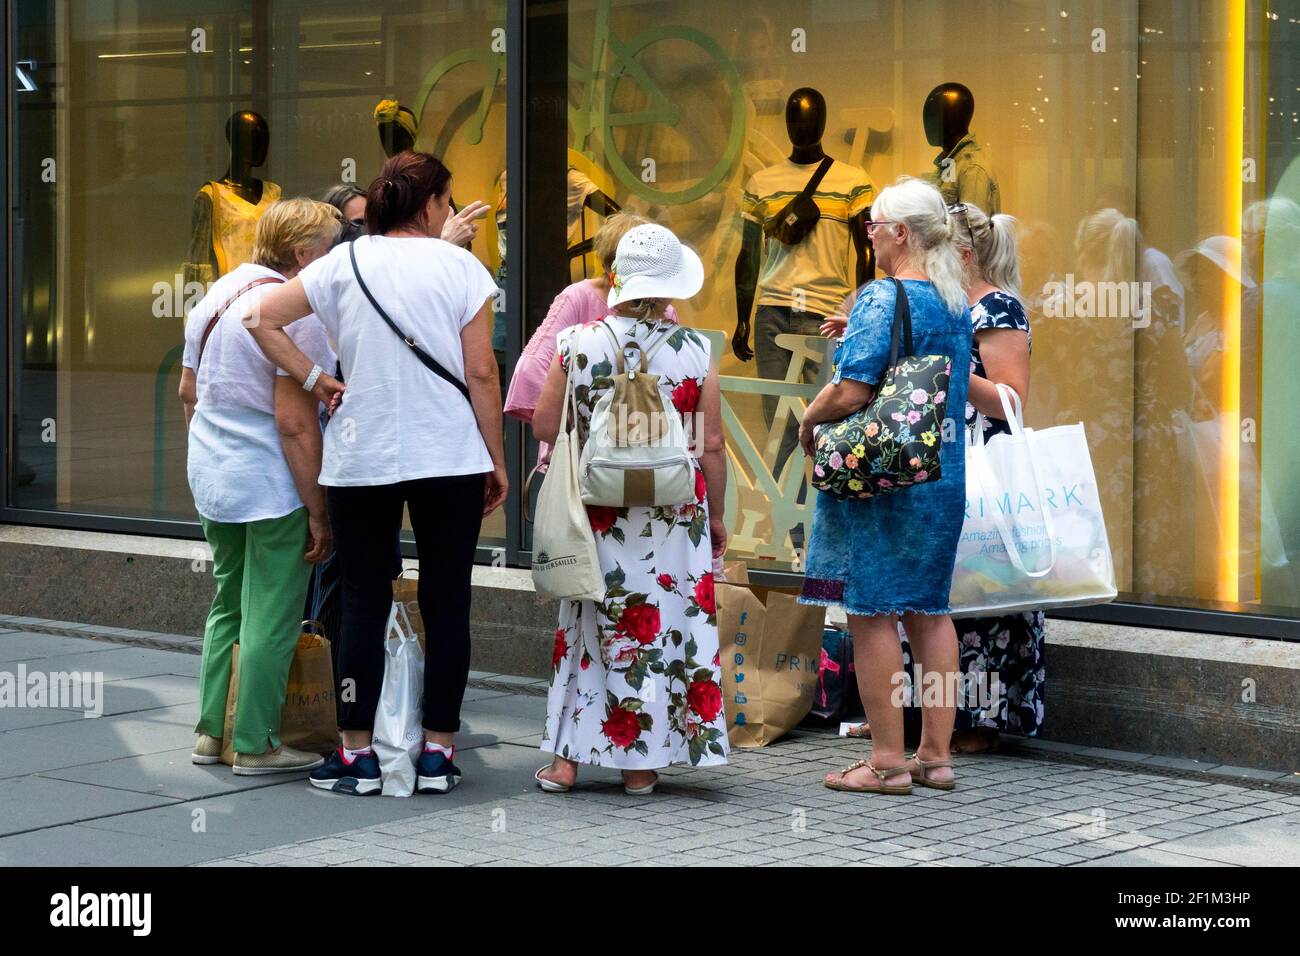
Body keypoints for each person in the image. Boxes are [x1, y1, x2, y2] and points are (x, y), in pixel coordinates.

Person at [247, 151, 507, 796]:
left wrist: (316, 378)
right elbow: (481, 372)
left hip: (360, 453)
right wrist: (496, 458)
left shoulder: (342, 262)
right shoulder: (461, 267)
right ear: (429, 206)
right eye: (446, 201)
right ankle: (439, 751)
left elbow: (260, 317)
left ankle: (357, 753)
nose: (449, 211)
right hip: (448, 452)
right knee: (449, 601)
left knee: (364, 598)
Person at [530, 223, 729, 794]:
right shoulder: (695, 350)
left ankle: (565, 763)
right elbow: (710, 444)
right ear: (671, 288)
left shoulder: (579, 342)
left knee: (590, 620)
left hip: (599, 512)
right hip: (672, 513)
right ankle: (640, 767)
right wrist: (715, 519)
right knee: (659, 626)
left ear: (616, 279)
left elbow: (545, 425)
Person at [797, 176, 971, 795]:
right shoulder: (954, 299)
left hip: (881, 477)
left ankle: (886, 761)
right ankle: (936, 757)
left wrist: (809, 417)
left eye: (872, 224)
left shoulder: (881, 295)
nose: (866, 233)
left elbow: (854, 390)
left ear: (900, 233)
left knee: (870, 613)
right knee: (931, 611)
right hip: (941, 475)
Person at [180, 197, 341, 775]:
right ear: (303, 253)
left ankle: (209, 733)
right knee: (272, 612)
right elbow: (295, 423)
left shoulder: (215, 297)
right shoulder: (299, 313)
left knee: (228, 604)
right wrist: (318, 510)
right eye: (329, 247)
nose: (335, 258)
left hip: (213, 476)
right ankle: (255, 742)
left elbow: (187, 394)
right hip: (270, 480)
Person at [947, 202, 1044, 753]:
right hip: (943, 463)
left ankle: (979, 719)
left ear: (961, 254)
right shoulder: (947, 305)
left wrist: (949, 365)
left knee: (981, 587)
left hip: (983, 467)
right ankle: (925, 712)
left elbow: (1010, 402)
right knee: (942, 591)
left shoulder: (999, 309)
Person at [504, 212, 674, 466]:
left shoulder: (665, 310)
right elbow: (531, 369)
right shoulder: (579, 297)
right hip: (588, 458)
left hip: (646, 454)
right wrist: (581, 424)